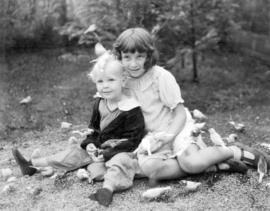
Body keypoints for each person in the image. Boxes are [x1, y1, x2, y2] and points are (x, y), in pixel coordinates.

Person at [89, 27, 270, 206]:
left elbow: (179, 115)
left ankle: (234, 151)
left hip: (175, 126)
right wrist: (95, 140)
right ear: (120, 57)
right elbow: (106, 83)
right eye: (127, 57)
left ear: (149, 56)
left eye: (140, 56)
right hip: (149, 136)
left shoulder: (160, 77)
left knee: (191, 163)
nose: (133, 63)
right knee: (151, 170)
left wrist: (168, 137)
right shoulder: (122, 78)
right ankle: (214, 165)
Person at [12, 52, 146, 182]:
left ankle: (102, 169)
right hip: (97, 150)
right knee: (73, 155)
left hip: (118, 153)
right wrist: (90, 144)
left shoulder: (131, 109)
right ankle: (31, 165)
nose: (105, 86)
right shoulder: (99, 103)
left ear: (123, 80)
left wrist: (107, 153)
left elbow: (133, 141)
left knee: (98, 173)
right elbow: (93, 130)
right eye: (100, 81)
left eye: (111, 80)